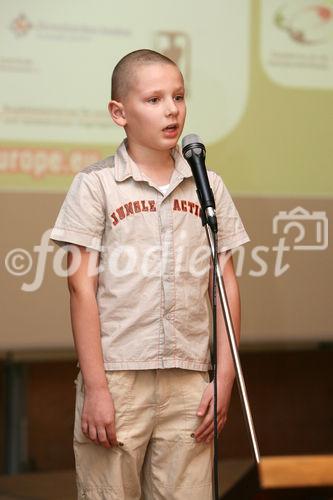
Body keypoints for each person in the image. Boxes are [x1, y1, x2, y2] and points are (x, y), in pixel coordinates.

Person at [50, 48, 250, 500]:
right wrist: (97, 389)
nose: (172, 110)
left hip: (189, 382)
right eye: (155, 99)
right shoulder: (96, 184)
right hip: (118, 378)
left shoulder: (208, 185)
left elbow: (225, 284)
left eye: (178, 97)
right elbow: (81, 287)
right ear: (119, 112)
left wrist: (223, 379)